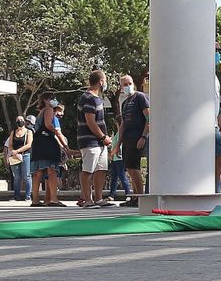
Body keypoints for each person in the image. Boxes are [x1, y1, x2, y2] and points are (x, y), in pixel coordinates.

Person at [73, 69, 114, 209]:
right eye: (105, 81)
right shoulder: (89, 98)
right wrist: (102, 136)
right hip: (90, 140)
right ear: (101, 82)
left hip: (100, 142)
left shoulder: (97, 99)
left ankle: (98, 198)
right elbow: (90, 121)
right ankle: (87, 200)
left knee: (101, 169)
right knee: (88, 170)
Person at [30, 96, 68, 207]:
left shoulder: (40, 112)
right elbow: (48, 124)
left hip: (37, 142)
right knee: (52, 170)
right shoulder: (49, 109)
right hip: (47, 141)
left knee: (37, 172)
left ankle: (35, 199)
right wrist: (56, 133)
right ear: (46, 100)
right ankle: (53, 199)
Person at [118, 74, 149, 206]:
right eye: (124, 84)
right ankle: (135, 196)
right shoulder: (124, 102)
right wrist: (117, 144)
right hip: (127, 139)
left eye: (129, 83)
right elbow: (123, 124)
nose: (128, 86)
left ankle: (140, 197)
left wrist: (143, 136)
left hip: (138, 137)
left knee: (134, 167)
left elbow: (149, 117)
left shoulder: (140, 97)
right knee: (129, 168)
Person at [4, 116, 33, 201]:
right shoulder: (13, 132)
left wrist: (18, 151)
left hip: (25, 155)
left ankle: (28, 196)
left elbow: (28, 144)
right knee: (16, 176)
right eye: (18, 120)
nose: (20, 121)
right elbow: (10, 145)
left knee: (26, 176)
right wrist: (14, 152)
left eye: (21, 120)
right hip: (14, 156)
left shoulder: (29, 132)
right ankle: (16, 196)